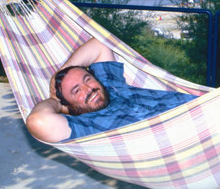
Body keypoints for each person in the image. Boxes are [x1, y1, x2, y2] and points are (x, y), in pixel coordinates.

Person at [26, 38, 197, 142]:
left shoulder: (110, 86)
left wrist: (58, 76)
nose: (89, 89)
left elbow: (100, 44)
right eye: (76, 91)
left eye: (87, 79)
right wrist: (55, 101)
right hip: (192, 131)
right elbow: (37, 121)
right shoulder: (88, 125)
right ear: (68, 107)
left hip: (204, 105)